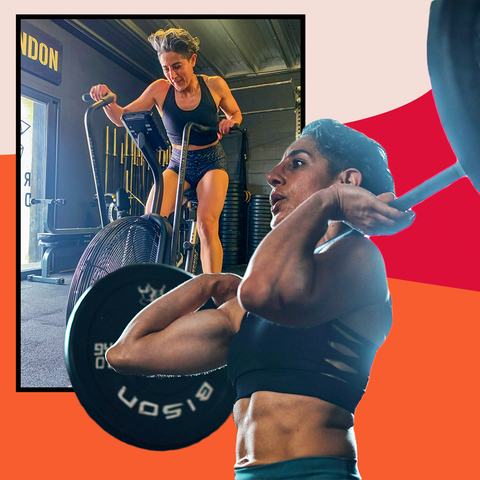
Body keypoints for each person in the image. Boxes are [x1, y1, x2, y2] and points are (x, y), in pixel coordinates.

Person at [105, 119, 415, 479]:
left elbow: (261, 290)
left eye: (296, 163)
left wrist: (329, 202)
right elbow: (126, 352)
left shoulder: (358, 259)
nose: (273, 175)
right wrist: (205, 283)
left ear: (346, 181)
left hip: (318, 473)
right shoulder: (250, 303)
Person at [90, 28, 243, 273]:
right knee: (149, 219)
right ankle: (144, 279)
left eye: (177, 66)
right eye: (166, 68)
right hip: (177, 162)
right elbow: (121, 118)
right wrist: (109, 100)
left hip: (211, 162)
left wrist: (230, 122)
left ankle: (212, 287)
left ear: (192, 60)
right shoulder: (160, 89)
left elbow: (235, 113)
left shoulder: (214, 85)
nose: (172, 75)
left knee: (205, 224)